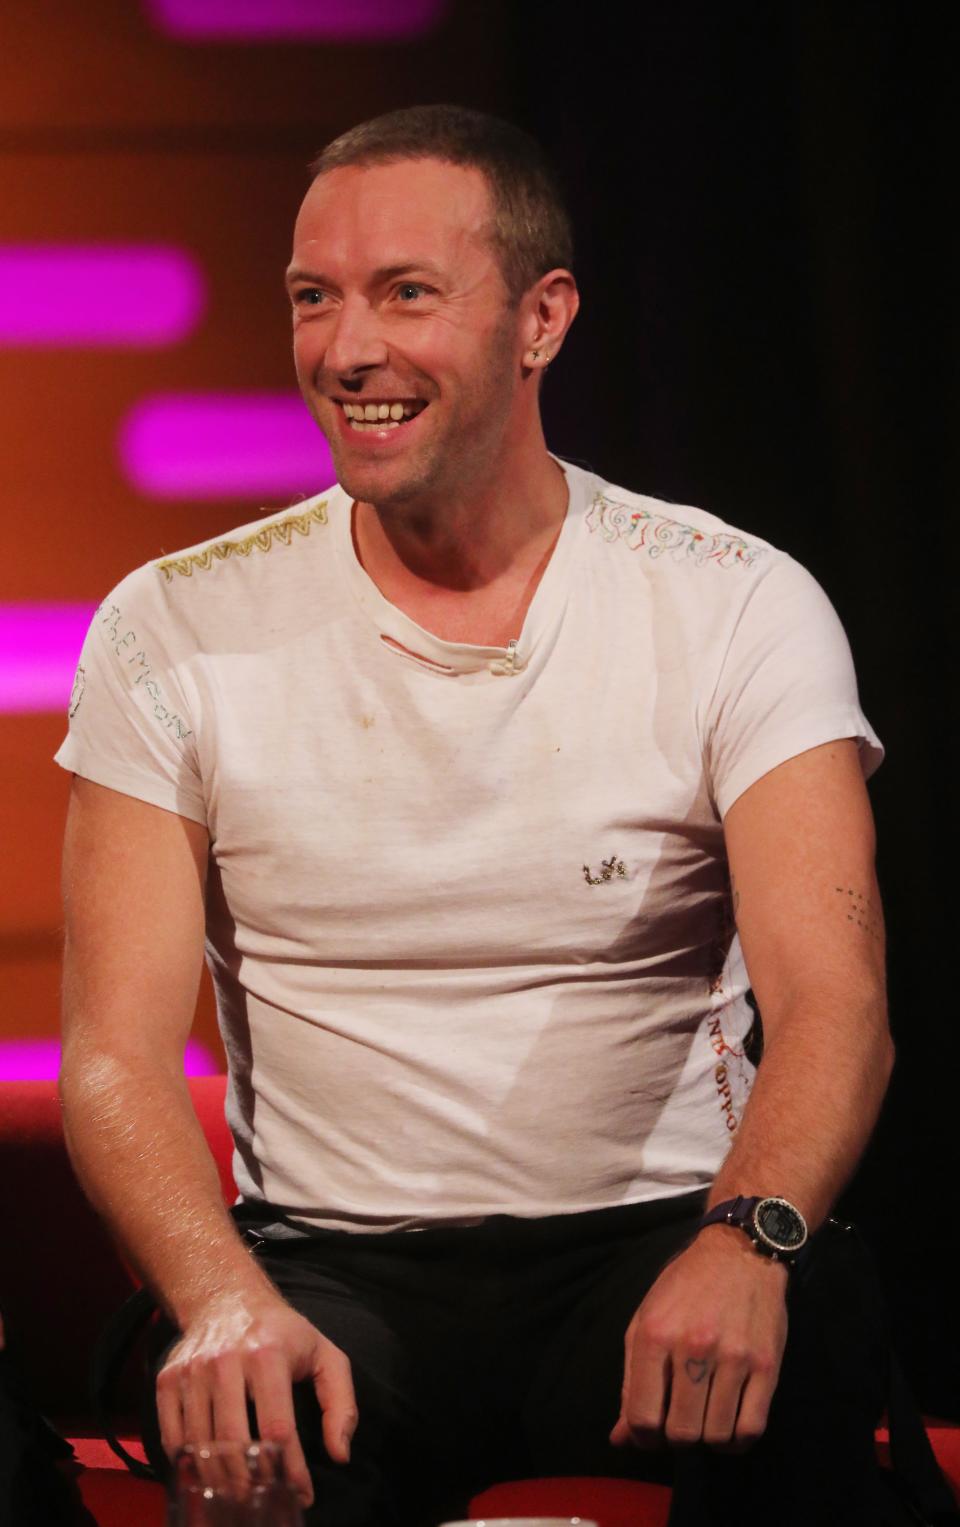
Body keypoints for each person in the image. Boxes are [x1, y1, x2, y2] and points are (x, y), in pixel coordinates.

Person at [56, 105, 896, 1526]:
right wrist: (218, 1303)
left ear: (541, 319)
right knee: (261, 1426)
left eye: (406, 294)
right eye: (313, 299)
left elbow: (835, 1004)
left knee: (801, 1351)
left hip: (659, 1237)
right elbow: (115, 1056)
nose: (347, 350)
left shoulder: (733, 599)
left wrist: (749, 1244)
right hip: (330, 1270)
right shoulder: (170, 625)